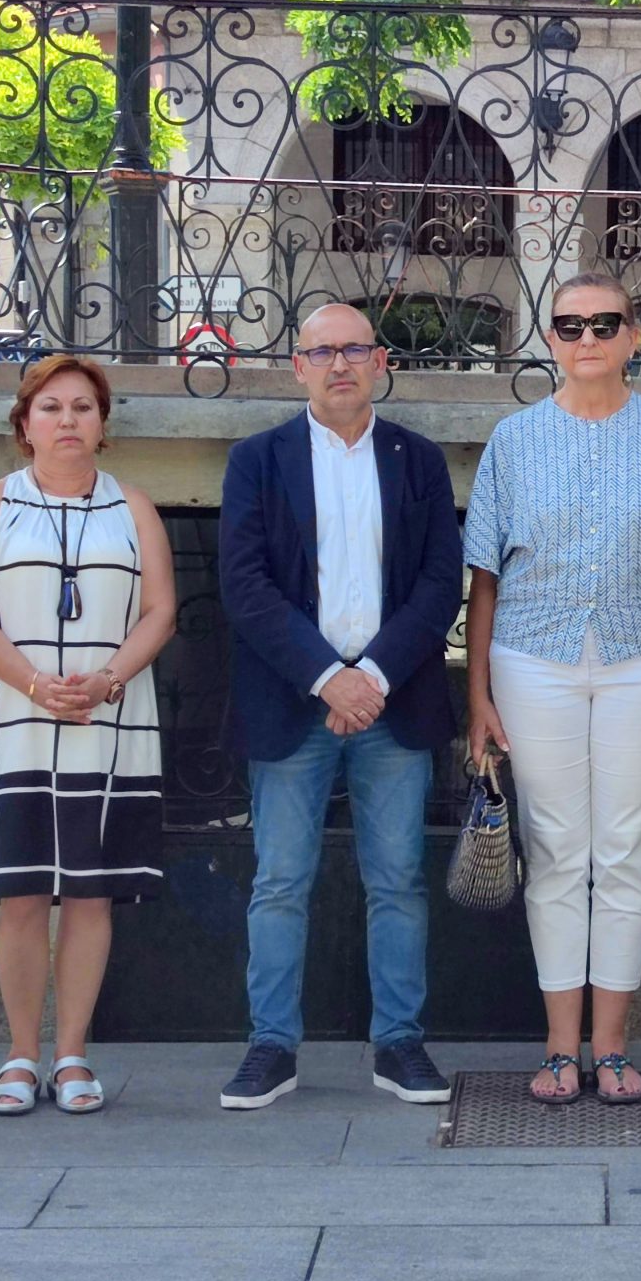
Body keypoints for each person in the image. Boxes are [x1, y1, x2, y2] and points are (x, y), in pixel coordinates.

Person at [464, 273, 641, 1106]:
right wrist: (478, 699)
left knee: (627, 851)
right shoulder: (514, 439)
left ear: (635, 335)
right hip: (532, 660)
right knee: (557, 852)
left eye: (606, 323)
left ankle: (611, 1048)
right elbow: (486, 578)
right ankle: (558, 1048)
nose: (587, 338)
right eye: (570, 325)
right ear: (550, 337)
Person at [216, 302, 463, 1111]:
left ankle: (400, 1044)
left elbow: (438, 584)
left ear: (381, 360)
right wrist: (329, 677)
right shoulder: (258, 460)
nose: (340, 364)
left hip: (393, 703)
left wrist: (375, 677)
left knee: (397, 879)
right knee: (281, 880)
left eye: (355, 349)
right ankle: (270, 1048)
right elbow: (244, 588)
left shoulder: (418, 460)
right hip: (297, 702)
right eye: (323, 351)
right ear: (298, 366)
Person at [0, 355, 176, 1115]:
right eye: (51, 408)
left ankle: (72, 1054)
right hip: (14, 722)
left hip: (106, 725)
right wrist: (35, 684)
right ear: (24, 425)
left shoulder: (133, 506)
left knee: (90, 895)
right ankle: (19, 1056)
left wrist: (105, 681)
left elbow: (160, 613)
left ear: (103, 424)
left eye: (82, 406)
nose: (68, 420)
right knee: (21, 894)